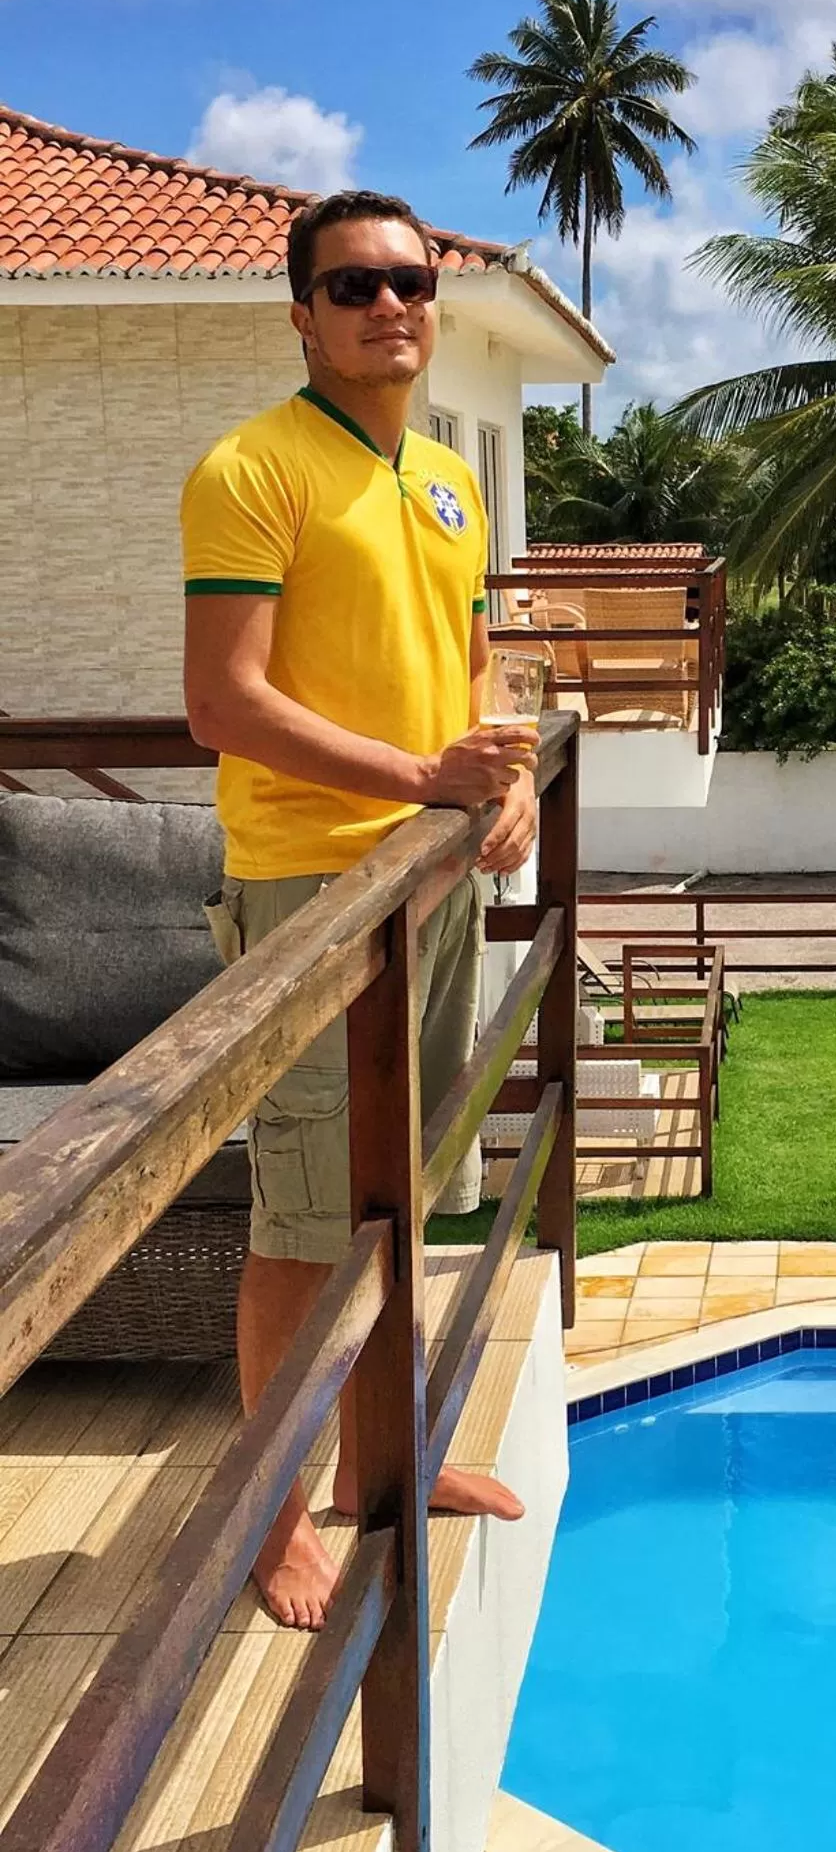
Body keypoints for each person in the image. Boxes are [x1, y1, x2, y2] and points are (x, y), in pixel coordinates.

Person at [181, 189, 535, 1630]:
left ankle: (389, 1459)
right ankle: (271, 1513)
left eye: (412, 279)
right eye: (354, 287)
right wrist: (421, 772)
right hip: (315, 892)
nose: (391, 304)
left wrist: (495, 780)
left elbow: (474, 662)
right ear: (302, 315)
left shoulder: (446, 477)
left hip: (430, 878)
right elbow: (224, 700)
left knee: (412, 1189)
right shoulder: (251, 470)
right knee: (304, 1218)